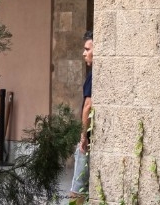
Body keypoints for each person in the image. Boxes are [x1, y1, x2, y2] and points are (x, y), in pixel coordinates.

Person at [68, 32, 94, 204]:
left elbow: (87, 106)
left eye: (87, 49)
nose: (84, 53)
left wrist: (83, 137)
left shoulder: (93, 76)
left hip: (89, 140)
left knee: (77, 189)